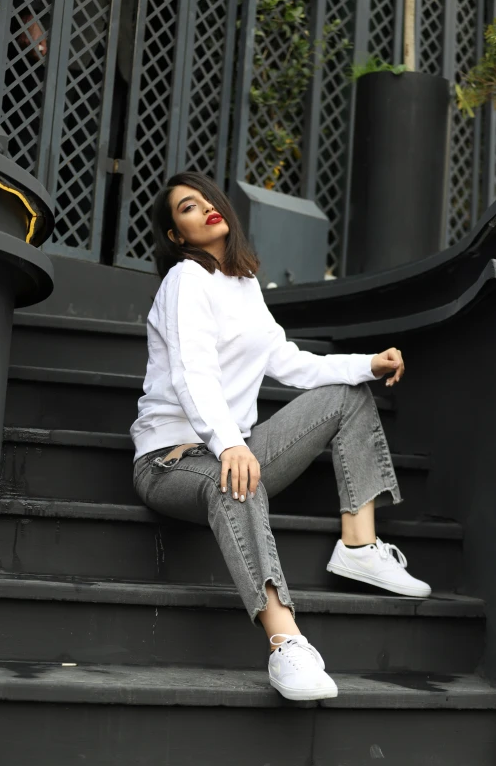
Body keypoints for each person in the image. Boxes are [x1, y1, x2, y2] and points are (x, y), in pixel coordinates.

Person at [131, 171, 431, 702]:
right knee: (235, 481)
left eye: (206, 200)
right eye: (186, 209)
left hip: (232, 449)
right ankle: (286, 644)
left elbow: (291, 363)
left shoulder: (244, 285)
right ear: (176, 236)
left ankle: (359, 545)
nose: (204, 209)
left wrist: (368, 363)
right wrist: (228, 443)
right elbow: (191, 373)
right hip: (170, 460)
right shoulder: (185, 278)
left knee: (347, 394)